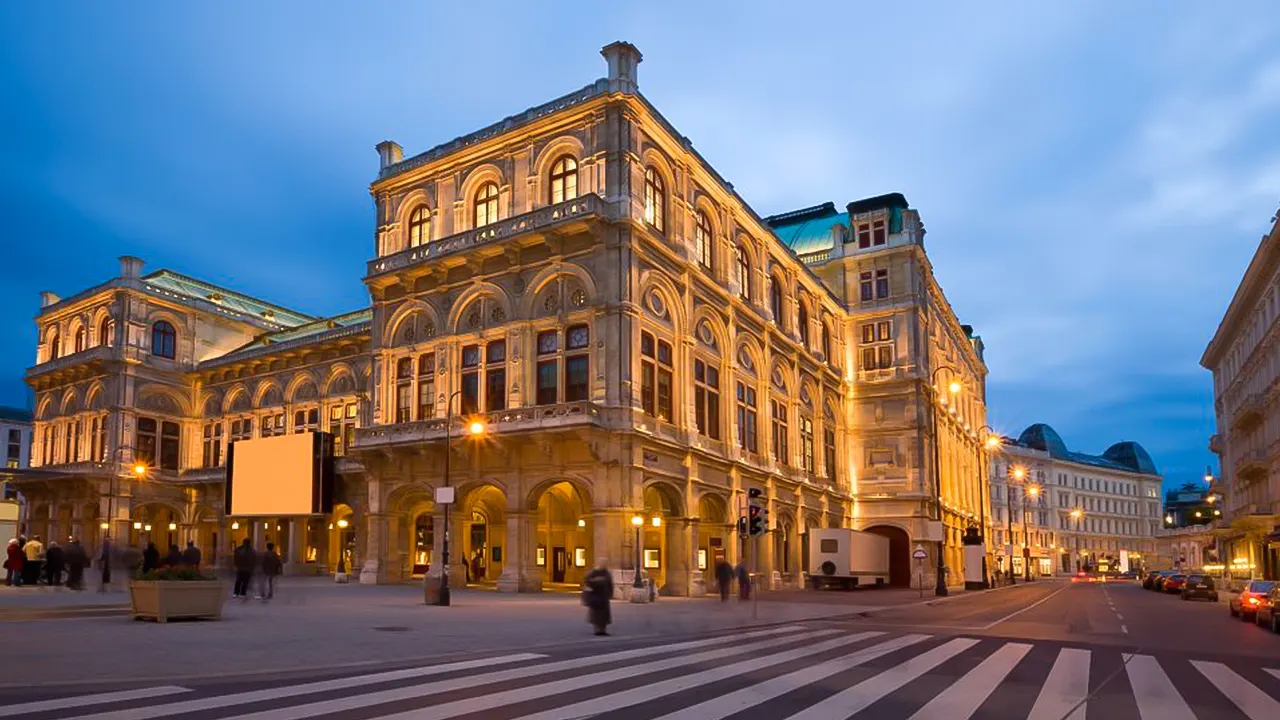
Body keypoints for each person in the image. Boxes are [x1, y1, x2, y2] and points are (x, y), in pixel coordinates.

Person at [583, 559, 614, 636]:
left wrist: (610, 593)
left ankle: (603, 630)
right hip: (596, 595)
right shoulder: (593, 572)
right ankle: (597, 629)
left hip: (604, 596)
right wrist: (596, 581)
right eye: (603, 563)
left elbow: (610, 583)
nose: (604, 564)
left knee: (604, 615)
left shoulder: (606, 572)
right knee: (596, 614)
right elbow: (587, 581)